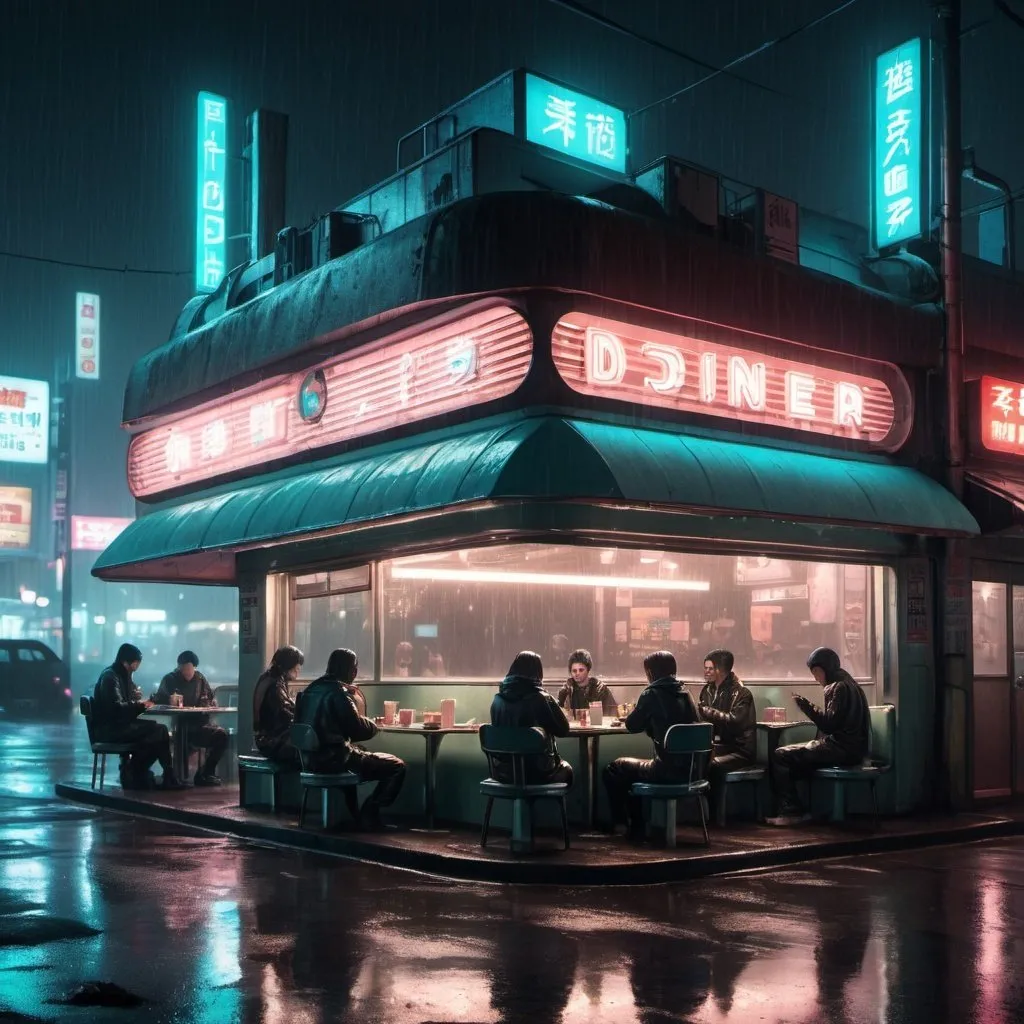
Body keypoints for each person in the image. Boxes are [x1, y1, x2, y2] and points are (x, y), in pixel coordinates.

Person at [294, 648, 406, 827]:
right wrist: (374, 724)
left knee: (360, 752)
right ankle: (369, 812)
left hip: (309, 760)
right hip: (335, 760)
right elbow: (359, 730)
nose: (355, 672)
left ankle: (354, 815)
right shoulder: (339, 694)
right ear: (350, 670)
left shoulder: (309, 690)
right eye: (355, 668)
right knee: (397, 766)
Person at [767, 646, 870, 825]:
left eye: (816, 671)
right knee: (797, 761)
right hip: (854, 749)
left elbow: (829, 725)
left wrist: (805, 705)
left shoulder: (836, 687)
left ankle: (791, 810)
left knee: (780, 756)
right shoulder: (850, 684)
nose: (815, 677)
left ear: (825, 669)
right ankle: (804, 809)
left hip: (841, 749)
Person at [602, 650, 700, 838]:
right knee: (632, 772)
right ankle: (637, 826)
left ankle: (625, 825)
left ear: (650, 672)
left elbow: (632, 725)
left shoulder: (651, 693)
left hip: (664, 770)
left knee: (614, 768)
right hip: (693, 770)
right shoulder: (687, 694)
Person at [92, 643, 185, 790]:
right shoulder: (110, 677)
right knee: (158, 732)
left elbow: (123, 703)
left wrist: (135, 699)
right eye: (135, 663)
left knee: (157, 731)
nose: (137, 666)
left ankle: (142, 771)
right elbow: (117, 708)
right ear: (126, 661)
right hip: (112, 729)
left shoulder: (120, 675)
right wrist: (141, 706)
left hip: (118, 725)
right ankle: (146, 771)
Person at [489, 651, 573, 785]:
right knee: (567, 771)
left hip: (503, 774)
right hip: (537, 774)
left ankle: (526, 805)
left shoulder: (497, 700)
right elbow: (563, 730)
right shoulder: (540, 698)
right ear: (538, 672)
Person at [154, 650, 228, 786]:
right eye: (183, 668)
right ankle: (170, 774)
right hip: (177, 726)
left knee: (221, 736)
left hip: (199, 726)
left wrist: (211, 704)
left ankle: (206, 773)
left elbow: (209, 699)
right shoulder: (170, 679)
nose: (186, 672)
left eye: (189, 668)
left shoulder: (200, 679)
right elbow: (158, 699)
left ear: (195, 667)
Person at [698, 649, 756, 808]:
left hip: (740, 750)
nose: (706, 672)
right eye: (705, 668)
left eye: (710, 668)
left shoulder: (742, 693)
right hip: (719, 746)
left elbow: (735, 721)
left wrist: (708, 712)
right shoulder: (707, 691)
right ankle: (697, 809)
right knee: (695, 758)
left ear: (720, 670)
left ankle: (713, 812)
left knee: (713, 764)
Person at [253, 645, 305, 763]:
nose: (298, 671)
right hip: (273, 741)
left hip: (265, 738)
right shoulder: (276, 684)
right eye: (296, 668)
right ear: (288, 666)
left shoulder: (268, 677)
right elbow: (285, 713)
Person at [556, 649, 617, 714]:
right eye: (574, 671)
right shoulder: (566, 690)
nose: (577, 673)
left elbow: (611, 715)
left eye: (581, 670)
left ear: (588, 670)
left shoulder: (600, 689)